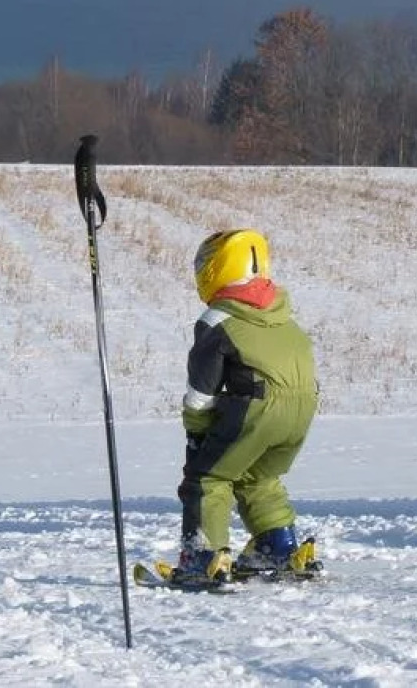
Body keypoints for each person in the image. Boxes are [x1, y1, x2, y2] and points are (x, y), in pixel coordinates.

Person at [174, 228, 320, 584]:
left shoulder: (218, 319)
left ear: (217, 267)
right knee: (258, 476)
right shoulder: (282, 314)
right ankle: (278, 546)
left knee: (208, 477)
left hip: (259, 407)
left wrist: (197, 429)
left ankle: (203, 557)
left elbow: (202, 388)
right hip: (303, 408)